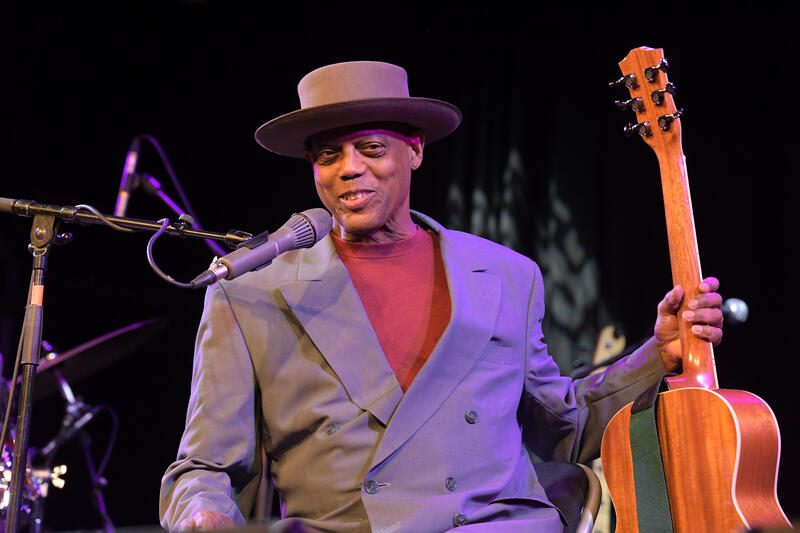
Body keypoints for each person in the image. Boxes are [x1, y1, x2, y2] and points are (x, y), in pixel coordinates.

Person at [159, 61, 723, 532]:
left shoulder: (506, 275)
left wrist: (658, 353)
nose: (350, 169)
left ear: (415, 152)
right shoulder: (252, 291)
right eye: (329, 155)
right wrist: (202, 510)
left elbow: (564, 430)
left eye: (372, 148)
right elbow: (203, 464)